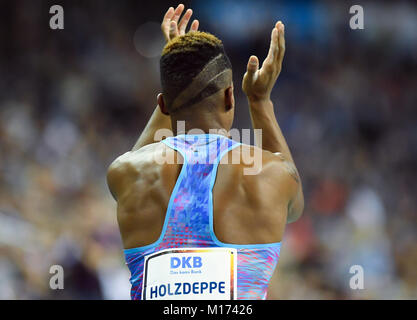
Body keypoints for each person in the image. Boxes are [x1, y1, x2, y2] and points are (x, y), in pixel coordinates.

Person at [107, 4, 304, 300]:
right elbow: (294, 207)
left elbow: (141, 155)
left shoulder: (125, 173)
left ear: (162, 105)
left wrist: (176, 82)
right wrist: (260, 101)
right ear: (229, 96)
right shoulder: (273, 174)